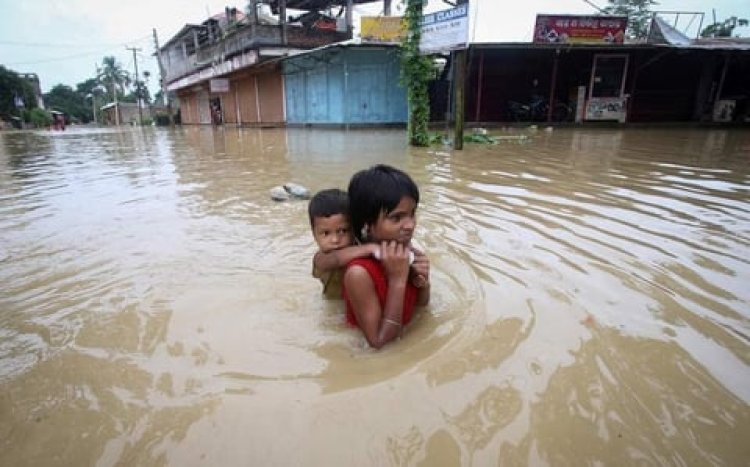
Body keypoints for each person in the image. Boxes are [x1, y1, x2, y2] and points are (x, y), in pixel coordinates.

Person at [343, 164, 430, 349]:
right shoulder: (359, 273)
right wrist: (398, 279)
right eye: (397, 218)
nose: (410, 225)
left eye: (412, 214)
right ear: (367, 224)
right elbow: (379, 344)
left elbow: (420, 308)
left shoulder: (404, 251)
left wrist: (422, 282)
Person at [308, 188, 380, 299]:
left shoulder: (359, 247)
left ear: (354, 229)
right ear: (314, 234)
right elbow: (335, 259)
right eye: (326, 233)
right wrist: (370, 248)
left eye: (342, 231)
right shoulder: (321, 258)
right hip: (334, 302)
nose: (335, 240)